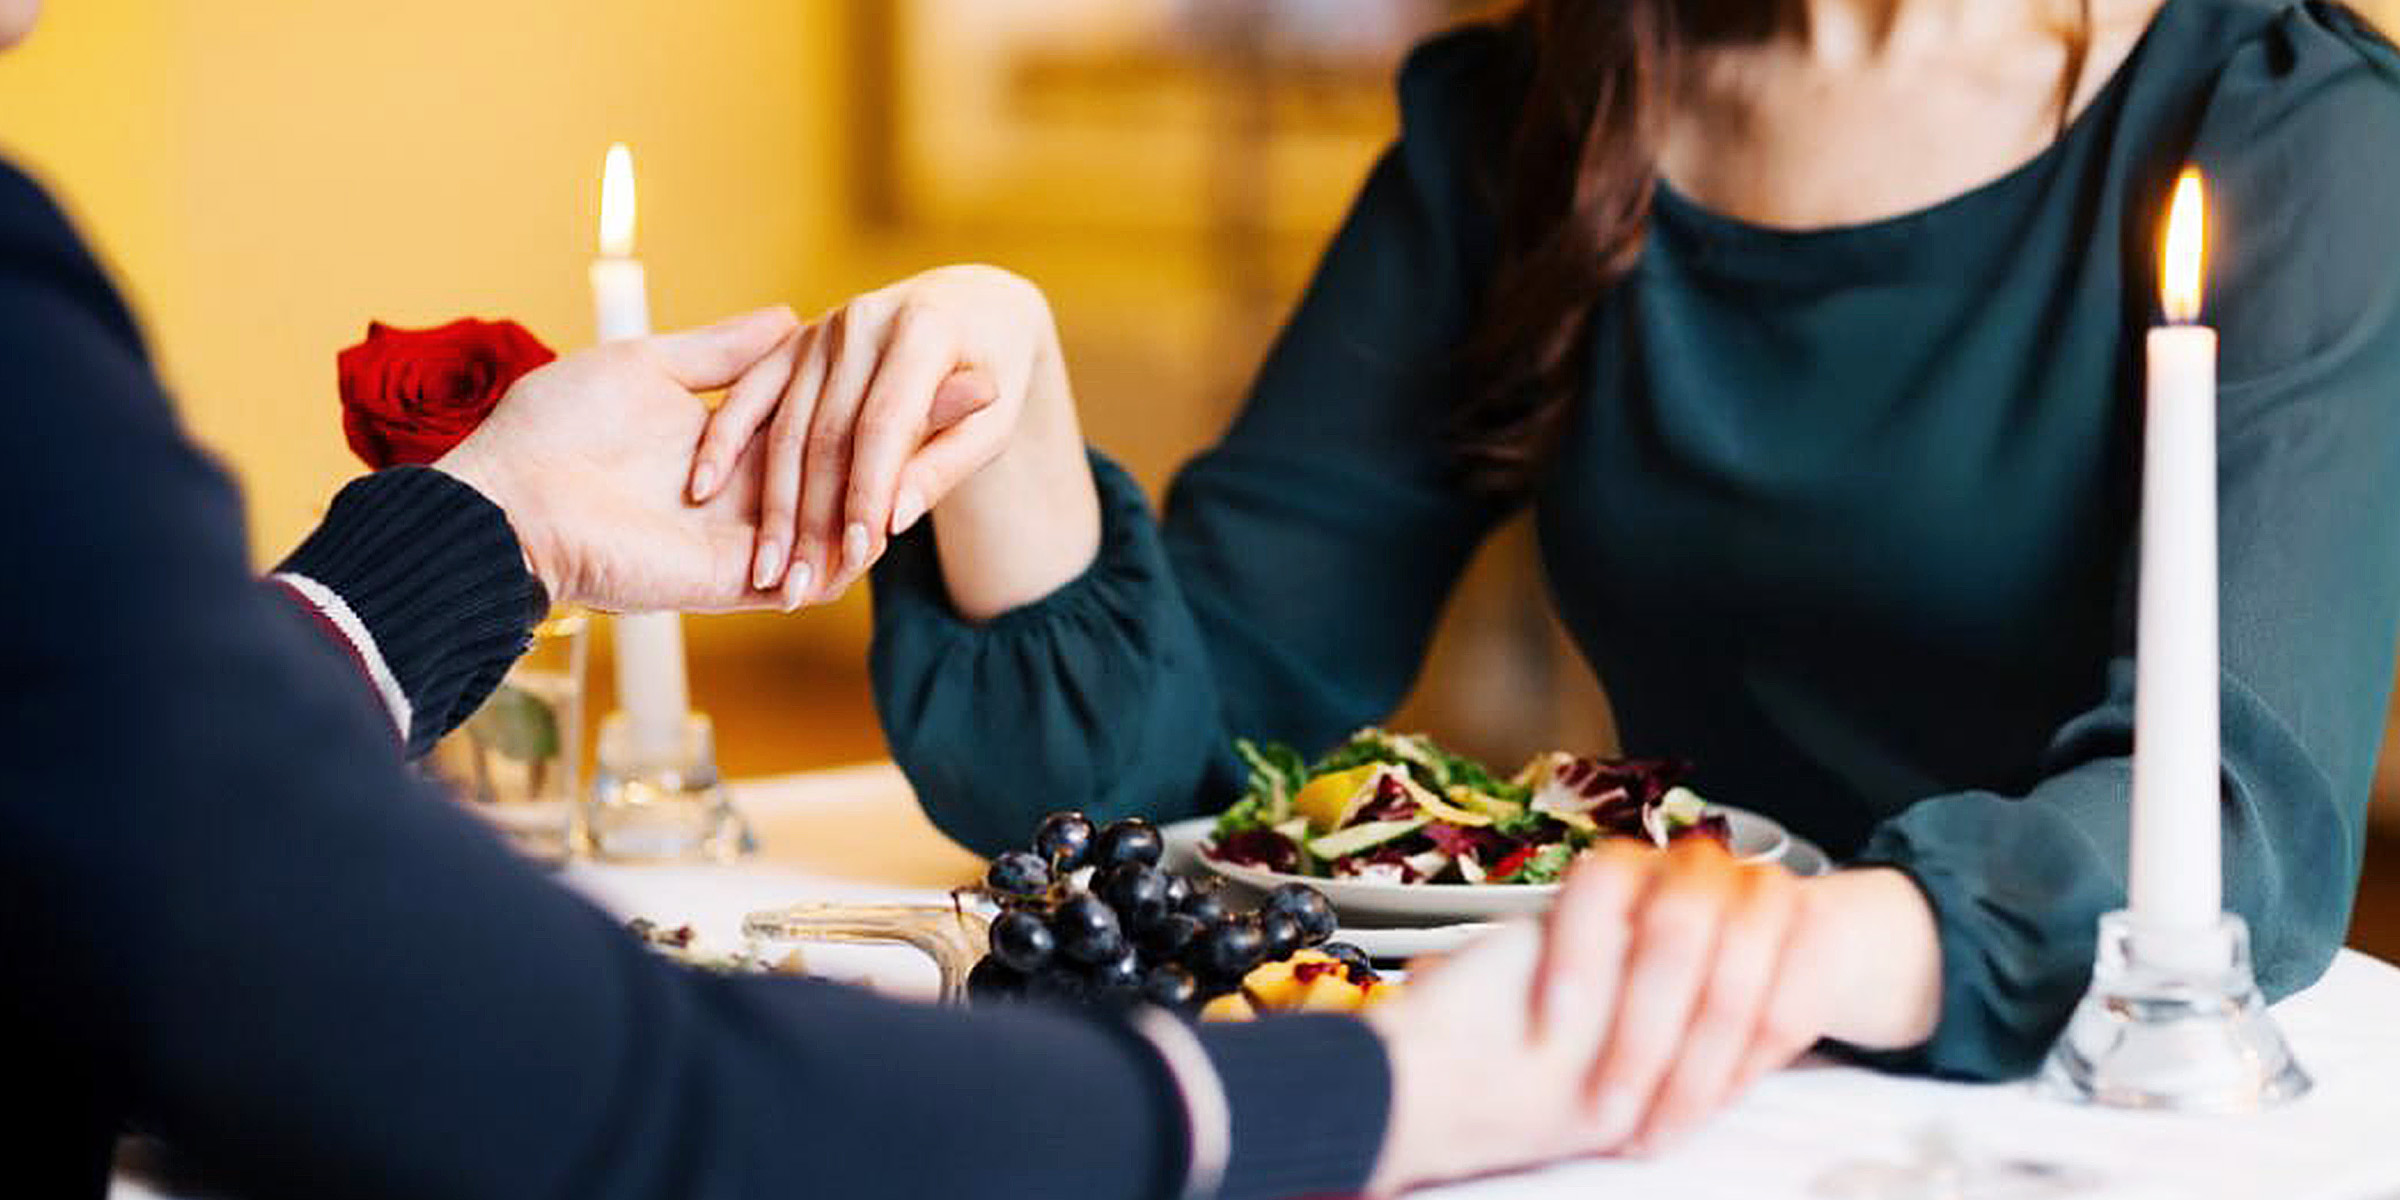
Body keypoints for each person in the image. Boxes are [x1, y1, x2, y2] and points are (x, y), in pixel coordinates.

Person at [0, 3, 1675, 1197]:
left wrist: (489, 526)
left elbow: (97, 813)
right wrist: (1350, 1096)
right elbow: (550, 1081)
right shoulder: (1511, 129)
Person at [697, 0, 2400, 1154]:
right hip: (1657, 1097)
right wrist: (1007, 407)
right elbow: (1134, 787)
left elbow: (2234, 818)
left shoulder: (2298, 132)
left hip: (2078, 1110)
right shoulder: (1536, 111)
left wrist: (1797, 953)